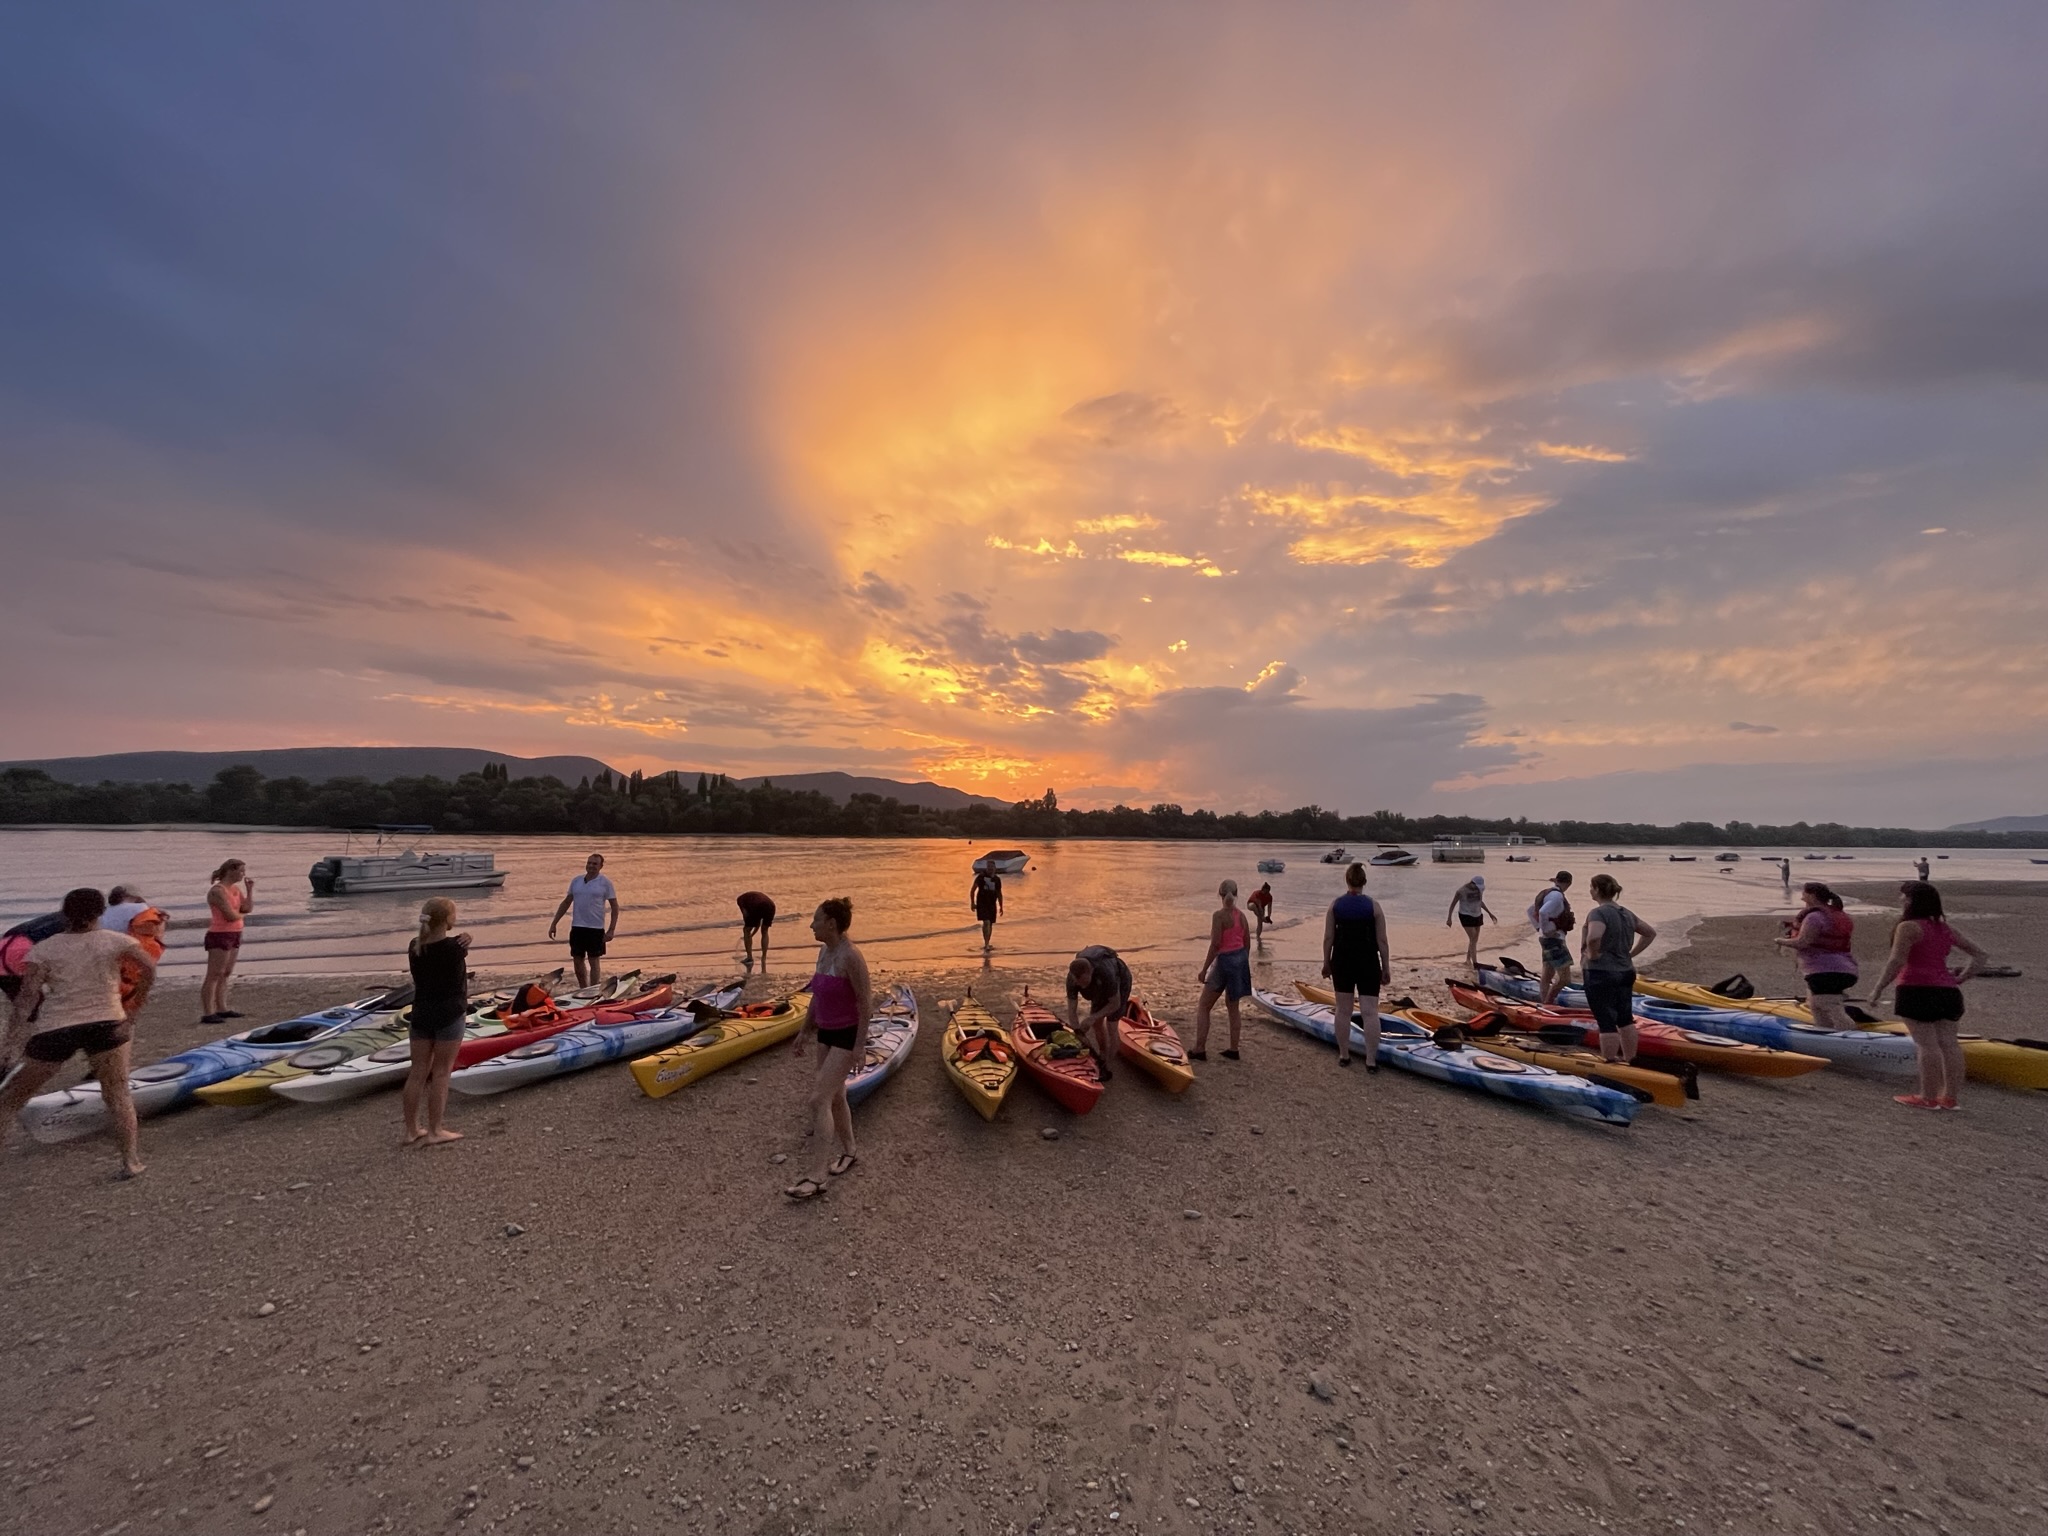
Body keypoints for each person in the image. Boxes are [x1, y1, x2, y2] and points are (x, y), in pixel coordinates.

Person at [0, 888, 155, 1178]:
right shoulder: (118, 941)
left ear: (64, 914)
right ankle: (130, 1162)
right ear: (100, 913)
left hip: (56, 1029)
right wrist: (133, 1009)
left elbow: (27, 999)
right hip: (108, 1024)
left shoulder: (43, 950)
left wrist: (9, 1046)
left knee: (9, 1100)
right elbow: (148, 969)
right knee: (117, 1093)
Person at [1866, 882, 1987, 1111]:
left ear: (1911, 900)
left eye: (1903, 896)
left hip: (1916, 989)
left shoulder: (1909, 927)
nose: (1900, 899)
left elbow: (1897, 961)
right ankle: (1949, 1098)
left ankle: (1927, 1097)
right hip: (1948, 991)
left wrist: (1878, 989)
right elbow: (1980, 955)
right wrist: (1962, 978)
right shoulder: (1945, 928)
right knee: (1950, 1045)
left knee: (1926, 1045)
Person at [784, 897, 870, 1201]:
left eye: (816, 919)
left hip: (846, 1036)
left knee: (818, 1099)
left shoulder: (851, 957)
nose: (811, 924)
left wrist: (859, 1047)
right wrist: (804, 1031)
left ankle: (817, 1177)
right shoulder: (824, 952)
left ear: (830, 924)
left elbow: (865, 1005)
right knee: (835, 1096)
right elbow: (817, 994)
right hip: (826, 1034)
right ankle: (850, 1151)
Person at [403, 897, 470, 1146]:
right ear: (448, 920)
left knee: (418, 1072)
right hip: (449, 1014)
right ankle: (435, 1130)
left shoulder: (415, 946)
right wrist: (467, 938)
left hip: (421, 1013)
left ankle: (411, 1130)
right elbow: (457, 947)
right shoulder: (454, 948)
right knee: (441, 1073)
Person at [1579, 873, 1655, 1063]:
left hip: (1601, 973)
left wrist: (1593, 954)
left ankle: (1610, 1061)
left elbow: (1594, 936)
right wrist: (1631, 954)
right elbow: (1649, 933)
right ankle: (1631, 1059)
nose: (1590, 890)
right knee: (1625, 1018)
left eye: (1591, 887)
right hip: (1625, 971)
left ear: (1597, 890)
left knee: (1605, 1021)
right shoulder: (1626, 913)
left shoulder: (1598, 913)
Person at [1320, 863, 1390, 1069]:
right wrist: (1385, 967)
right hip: (1368, 961)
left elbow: (1328, 938)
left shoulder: (1335, 905)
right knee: (1370, 1012)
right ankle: (1370, 1060)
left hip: (1342, 960)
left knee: (1343, 1010)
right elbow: (1382, 941)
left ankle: (1344, 1055)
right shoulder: (1374, 907)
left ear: (1347, 881)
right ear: (1364, 882)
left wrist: (1326, 962)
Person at [1774, 882, 1857, 1029]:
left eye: (1804, 893)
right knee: (1815, 1005)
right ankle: (1825, 1033)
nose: (1801, 896)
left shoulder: (1815, 917)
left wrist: (1780, 941)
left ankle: (1854, 1039)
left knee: (1829, 1005)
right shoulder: (1833, 914)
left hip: (1825, 972)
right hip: (1844, 969)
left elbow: (1803, 942)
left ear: (1811, 896)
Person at [1193, 880, 1253, 1061]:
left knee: (1204, 1005)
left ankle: (1199, 1048)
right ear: (1236, 894)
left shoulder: (1219, 916)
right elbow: (1247, 942)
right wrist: (1242, 962)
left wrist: (1204, 969)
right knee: (1233, 1008)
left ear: (1220, 894)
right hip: (1239, 960)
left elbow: (1216, 945)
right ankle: (1234, 1049)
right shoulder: (1241, 916)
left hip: (1224, 962)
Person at [548, 853, 618, 986]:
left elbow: (614, 906)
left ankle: (593, 989)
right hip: (577, 927)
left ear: (601, 866)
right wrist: (554, 923)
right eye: (589, 863)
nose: (591, 866)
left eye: (595, 864)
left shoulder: (605, 883)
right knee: (577, 960)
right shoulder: (576, 881)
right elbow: (567, 902)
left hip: (595, 928)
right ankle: (583, 988)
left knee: (594, 960)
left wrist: (611, 930)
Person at [1064, 944, 1132, 1078]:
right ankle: (1102, 1053)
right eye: (1078, 983)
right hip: (1097, 987)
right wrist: (1079, 1032)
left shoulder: (1105, 973)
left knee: (1111, 1025)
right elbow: (1072, 1011)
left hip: (1120, 979)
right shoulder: (1072, 980)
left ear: (1091, 972)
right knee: (1096, 1024)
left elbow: (1115, 1003)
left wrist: (1093, 1017)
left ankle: (1107, 1063)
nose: (1080, 985)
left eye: (1083, 982)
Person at [200, 859, 254, 1024]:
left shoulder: (235, 889)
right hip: (220, 934)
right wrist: (241, 914)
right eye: (240, 871)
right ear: (231, 870)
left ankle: (222, 1007)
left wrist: (249, 891)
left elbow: (246, 908)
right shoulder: (218, 891)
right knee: (214, 973)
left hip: (235, 932)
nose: (243, 874)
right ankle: (208, 1012)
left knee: (226, 972)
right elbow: (230, 916)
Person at [1529, 871, 1575, 1005]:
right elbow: (1543, 912)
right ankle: (1549, 1002)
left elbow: (1531, 911)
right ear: (1568, 883)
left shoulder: (1547, 893)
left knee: (1547, 975)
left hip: (1546, 939)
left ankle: (1544, 1003)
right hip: (1554, 940)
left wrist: (1539, 929)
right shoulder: (1557, 897)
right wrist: (1547, 931)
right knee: (1565, 979)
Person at [1444, 875, 1496, 971]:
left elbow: (1480, 902)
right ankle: (1475, 963)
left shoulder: (1480, 889)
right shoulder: (1461, 891)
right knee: (1473, 938)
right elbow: (1452, 904)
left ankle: (1468, 959)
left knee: (1474, 940)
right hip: (1465, 915)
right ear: (1472, 883)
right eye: (1476, 886)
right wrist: (1449, 918)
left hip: (1477, 914)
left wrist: (1490, 913)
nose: (1477, 888)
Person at [737, 890, 776, 967]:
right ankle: (763, 957)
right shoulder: (750, 897)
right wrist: (752, 934)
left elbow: (746, 916)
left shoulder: (740, 900)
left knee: (746, 930)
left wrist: (749, 934)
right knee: (765, 931)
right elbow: (757, 923)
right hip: (771, 905)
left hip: (757, 905)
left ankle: (749, 957)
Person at [969, 867, 1004, 951]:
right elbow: (973, 890)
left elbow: (999, 893)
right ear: (987, 869)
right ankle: (986, 944)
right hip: (982, 903)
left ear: (995, 869)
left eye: (992, 869)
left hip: (992, 904)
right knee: (986, 922)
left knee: (990, 923)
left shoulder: (997, 879)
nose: (990, 870)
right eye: (989, 868)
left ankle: (987, 942)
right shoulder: (981, 877)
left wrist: (1001, 906)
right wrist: (972, 903)